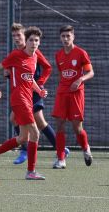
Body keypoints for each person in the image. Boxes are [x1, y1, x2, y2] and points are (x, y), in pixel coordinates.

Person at [0, 23, 69, 164]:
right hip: (22, 93)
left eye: (19, 35)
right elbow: (11, 71)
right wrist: (8, 74)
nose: (16, 38)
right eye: (14, 36)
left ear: (25, 36)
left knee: (38, 123)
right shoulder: (15, 54)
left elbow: (47, 68)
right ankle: (25, 149)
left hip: (31, 93)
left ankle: (56, 150)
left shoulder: (34, 51)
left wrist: (40, 84)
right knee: (16, 121)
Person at [0, 26, 47, 180]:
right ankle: (31, 172)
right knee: (36, 133)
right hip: (19, 99)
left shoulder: (34, 57)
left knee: (23, 138)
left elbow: (29, 78)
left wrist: (39, 91)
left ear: (39, 43)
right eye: (31, 40)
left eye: (36, 40)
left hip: (28, 98)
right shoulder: (16, 55)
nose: (33, 43)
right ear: (25, 42)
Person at [51, 25, 94, 169]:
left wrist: (80, 80)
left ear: (73, 37)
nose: (65, 39)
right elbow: (60, 74)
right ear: (60, 38)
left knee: (77, 127)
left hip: (76, 93)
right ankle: (61, 159)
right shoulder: (58, 55)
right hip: (62, 93)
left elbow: (90, 72)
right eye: (63, 36)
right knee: (59, 125)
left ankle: (86, 148)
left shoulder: (81, 53)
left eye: (68, 36)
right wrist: (61, 87)